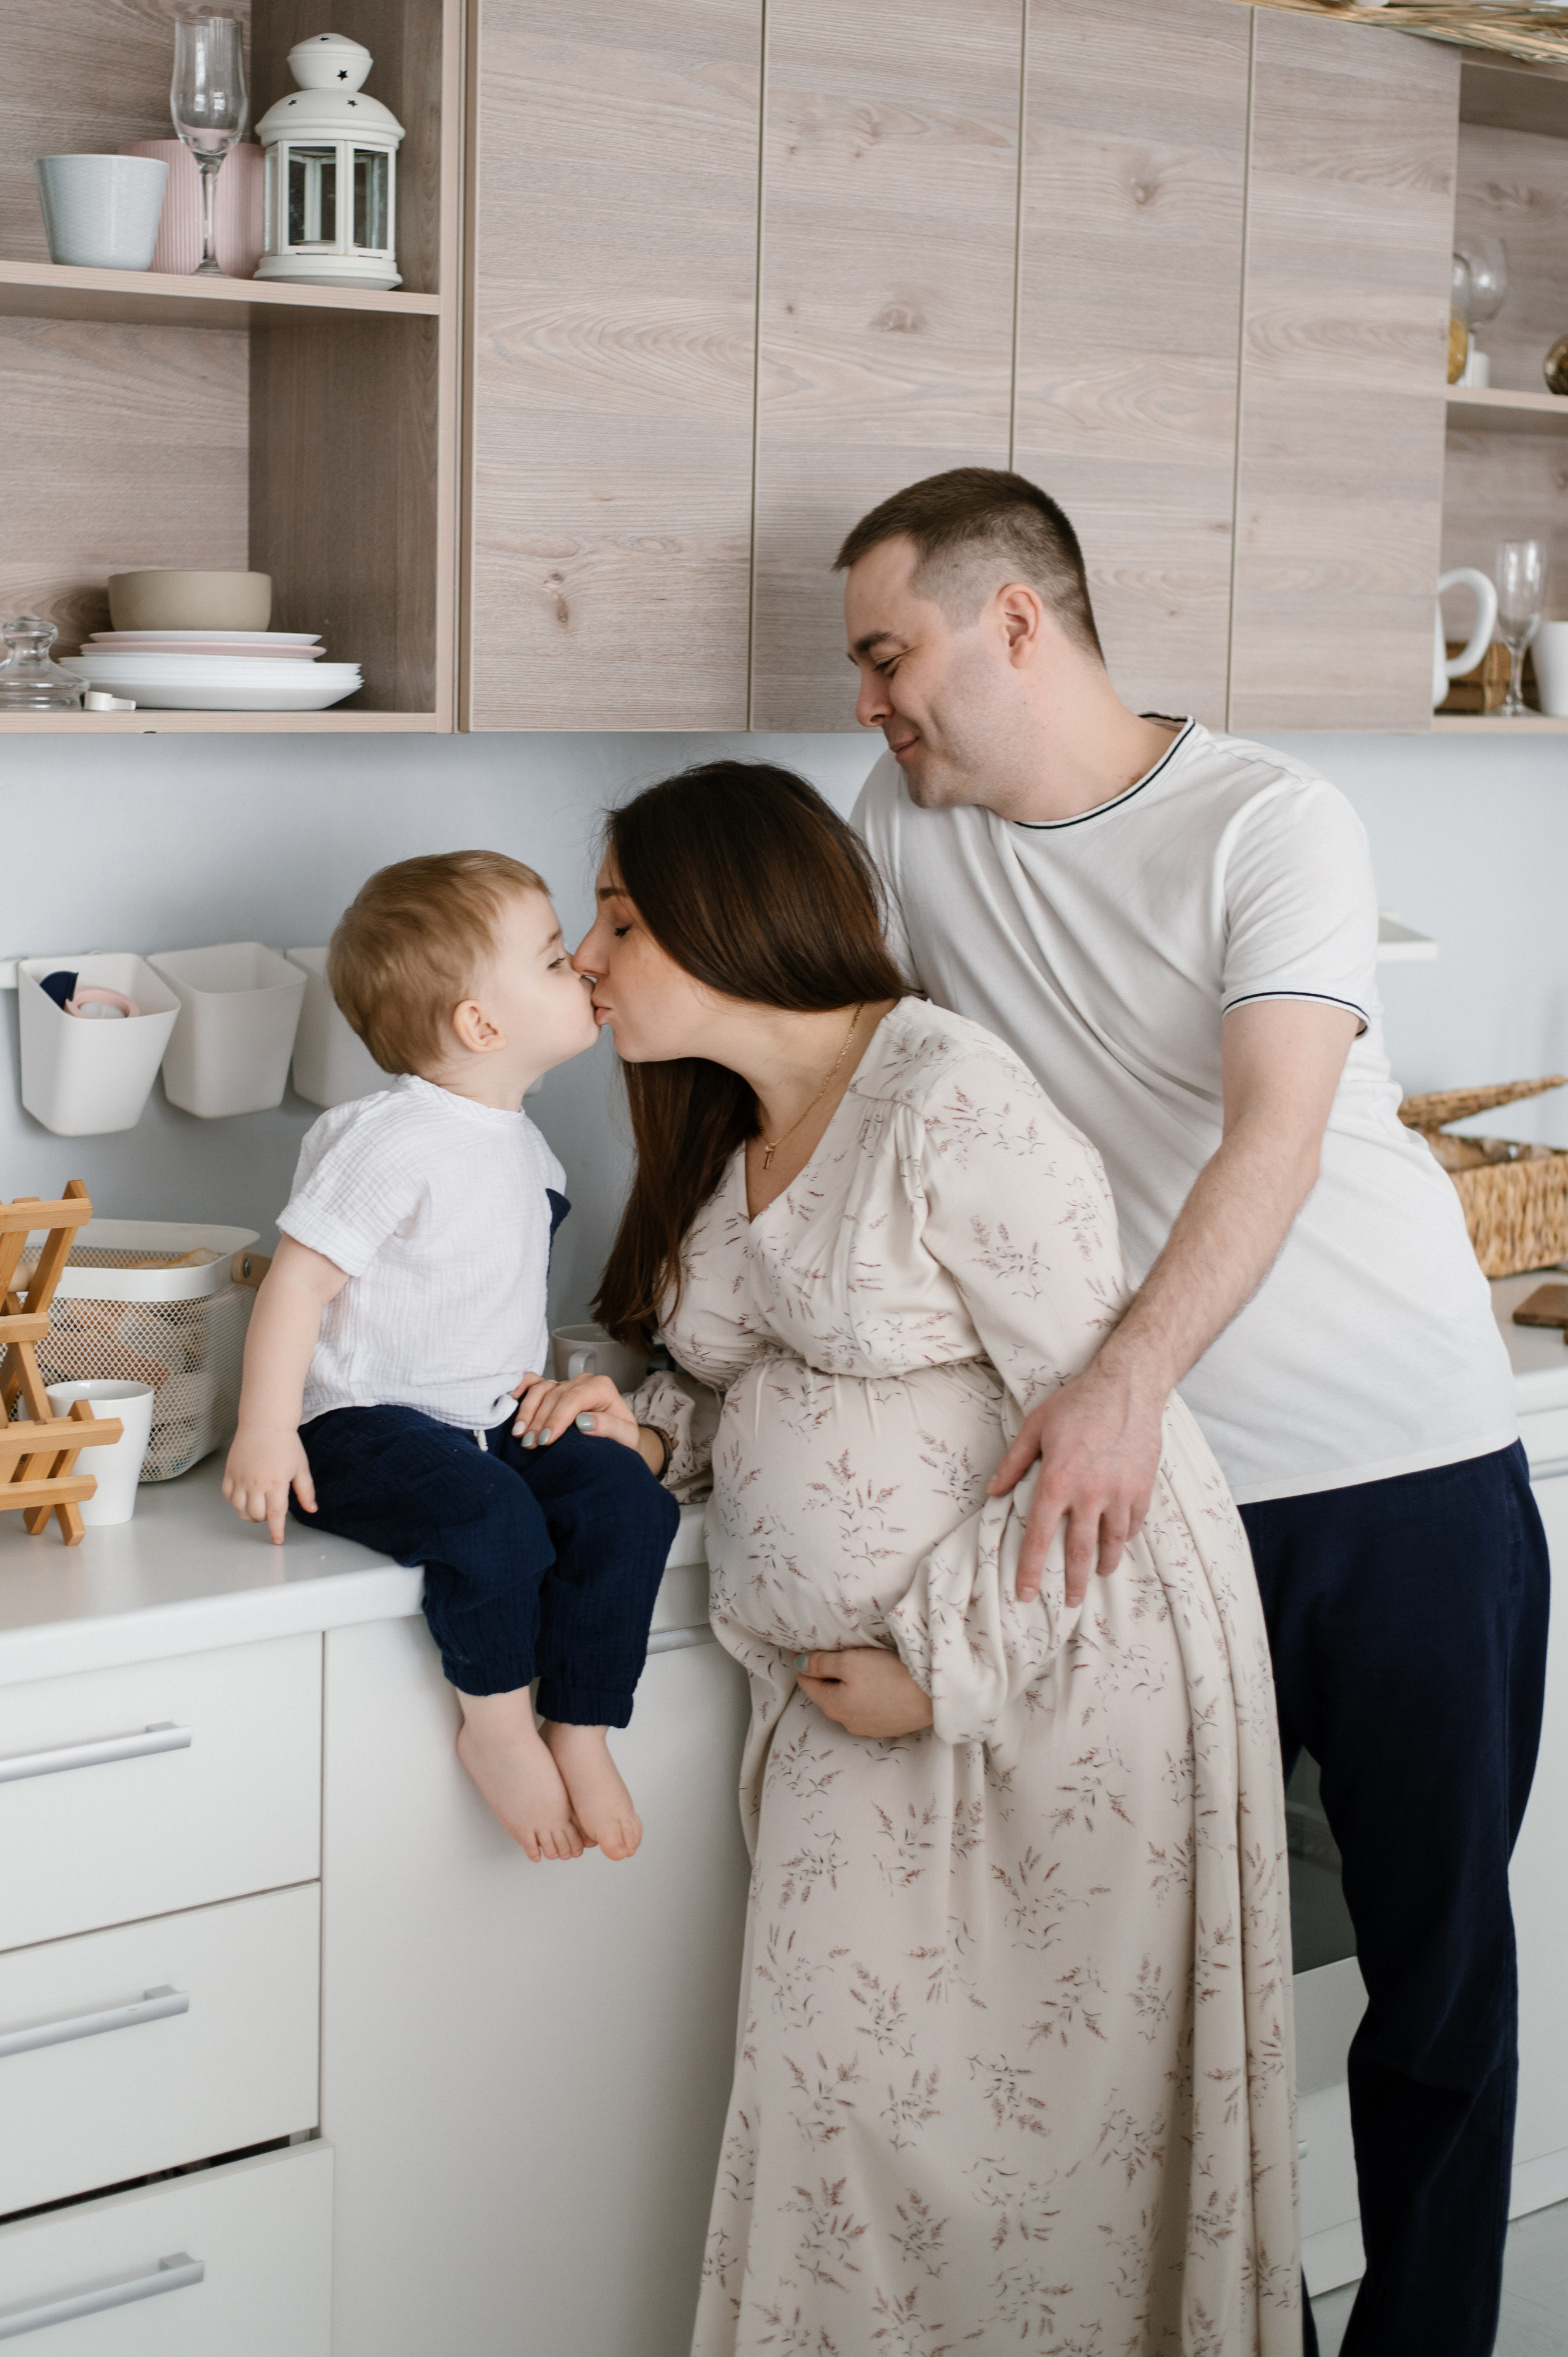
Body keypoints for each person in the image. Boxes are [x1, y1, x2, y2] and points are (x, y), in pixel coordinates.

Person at [839, 467, 1551, 2357]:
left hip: (1402, 1471)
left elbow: (1281, 1129)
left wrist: (1122, 1382)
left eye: (889, 654)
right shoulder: (903, 839)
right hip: (1153, 1498)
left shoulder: (1270, 820)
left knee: (1432, 1983)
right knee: (1162, 1995)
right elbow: (845, 1109)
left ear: (1016, 621)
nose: (869, 702)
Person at [519, 760, 1301, 2353]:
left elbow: (1105, 1432)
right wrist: (655, 1428)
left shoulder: (951, 1096)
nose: (585, 960)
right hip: (853, 1717)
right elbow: (777, 1378)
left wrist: (942, 1666)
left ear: (731, 914)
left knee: (1046, 2159)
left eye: (617, 917)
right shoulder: (736, 1125)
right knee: (844, 2126)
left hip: (1054, 1680)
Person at [222, 850, 679, 1864]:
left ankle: (583, 1724)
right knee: (489, 1519)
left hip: (484, 1414)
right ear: (481, 1025)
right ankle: (502, 1730)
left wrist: (549, 1392)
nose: (587, 972)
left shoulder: (522, 1145)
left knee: (624, 1498)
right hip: (362, 1424)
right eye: (559, 961)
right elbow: (297, 1282)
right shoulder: (391, 1139)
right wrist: (264, 1428)